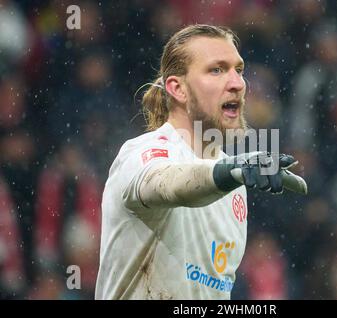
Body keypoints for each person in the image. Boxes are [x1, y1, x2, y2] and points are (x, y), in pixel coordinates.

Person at [95, 24, 307, 300]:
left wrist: (229, 174)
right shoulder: (142, 152)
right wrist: (226, 174)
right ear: (178, 89)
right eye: (216, 70)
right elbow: (166, 184)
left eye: (238, 70)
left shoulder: (235, 184)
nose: (237, 83)